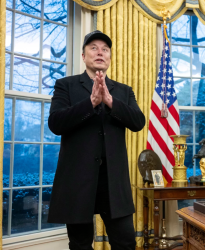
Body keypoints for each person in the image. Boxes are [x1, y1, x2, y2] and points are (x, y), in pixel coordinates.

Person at [47, 30, 145, 250]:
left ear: (109, 57)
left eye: (105, 49)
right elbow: (55, 123)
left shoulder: (123, 91)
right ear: (83, 56)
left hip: (113, 181)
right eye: (93, 48)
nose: (100, 52)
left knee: (126, 241)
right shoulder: (66, 85)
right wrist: (90, 103)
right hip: (77, 180)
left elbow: (138, 122)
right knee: (80, 244)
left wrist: (111, 102)